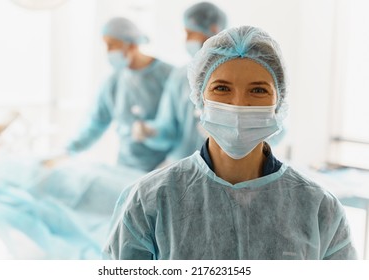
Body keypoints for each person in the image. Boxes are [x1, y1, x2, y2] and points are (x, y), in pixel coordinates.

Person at [102, 26, 357, 260]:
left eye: (258, 90)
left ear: (278, 103)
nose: (238, 105)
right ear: (200, 98)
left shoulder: (319, 209)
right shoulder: (149, 201)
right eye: (222, 88)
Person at [44, 17, 173, 171]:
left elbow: (182, 129)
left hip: (165, 167)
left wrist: (172, 159)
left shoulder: (170, 77)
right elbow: (95, 123)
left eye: (112, 45)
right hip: (126, 167)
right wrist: (67, 151)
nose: (108, 51)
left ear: (131, 44)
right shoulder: (113, 82)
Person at [132, 2, 227, 163]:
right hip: (181, 167)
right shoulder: (181, 76)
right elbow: (168, 128)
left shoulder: (238, 74)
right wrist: (150, 131)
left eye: (191, 33)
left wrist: (228, 136)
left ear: (213, 30)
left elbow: (269, 128)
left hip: (225, 172)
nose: (187, 39)